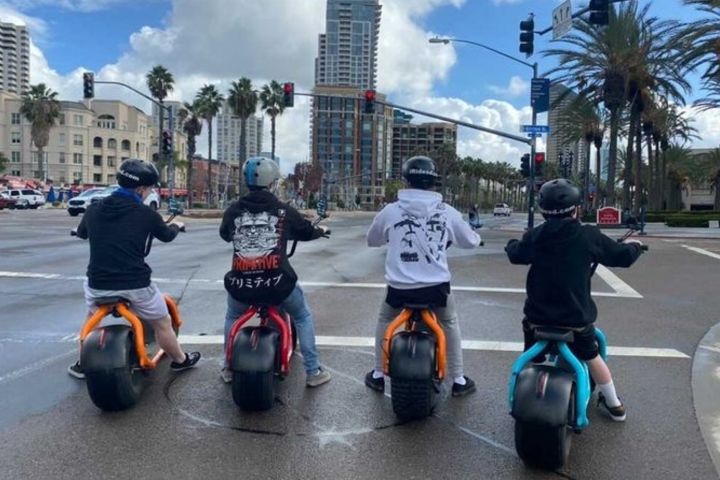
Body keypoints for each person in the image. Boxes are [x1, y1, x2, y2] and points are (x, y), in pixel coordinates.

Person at [505, 178, 644, 422]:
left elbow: (516, 255)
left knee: (529, 347)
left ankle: (534, 361)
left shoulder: (535, 235)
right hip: (575, 318)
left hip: (537, 317)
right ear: (576, 209)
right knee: (592, 355)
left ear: (543, 210)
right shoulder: (588, 235)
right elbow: (622, 257)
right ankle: (614, 404)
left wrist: (511, 244)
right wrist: (635, 246)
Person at [68, 159, 201, 379]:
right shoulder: (145, 213)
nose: (149, 193)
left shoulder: (93, 210)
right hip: (136, 285)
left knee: (91, 316)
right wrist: (177, 225)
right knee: (162, 322)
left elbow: (82, 232)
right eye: (149, 189)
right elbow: (167, 235)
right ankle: (180, 360)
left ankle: (82, 364)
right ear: (140, 188)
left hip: (98, 285)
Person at [365, 156, 482, 396]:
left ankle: (378, 374)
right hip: (436, 288)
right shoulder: (447, 212)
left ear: (407, 181)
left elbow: (372, 240)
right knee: (449, 322)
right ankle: (458, 379)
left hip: (399, 289)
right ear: (433, 182)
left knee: (385, 319)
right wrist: (478, 239)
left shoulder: (390, 211)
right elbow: (469, 241)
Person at [219, 156, 331, 387]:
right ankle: (313, 371)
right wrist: (320, 231)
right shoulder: (283, 210)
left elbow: (225, 234)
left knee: (233, 316)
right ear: (272, 182)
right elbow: (306, 232)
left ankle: (228, 368)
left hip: (242, 285)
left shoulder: (233, 210)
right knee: (302, 316)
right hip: (278, 284)